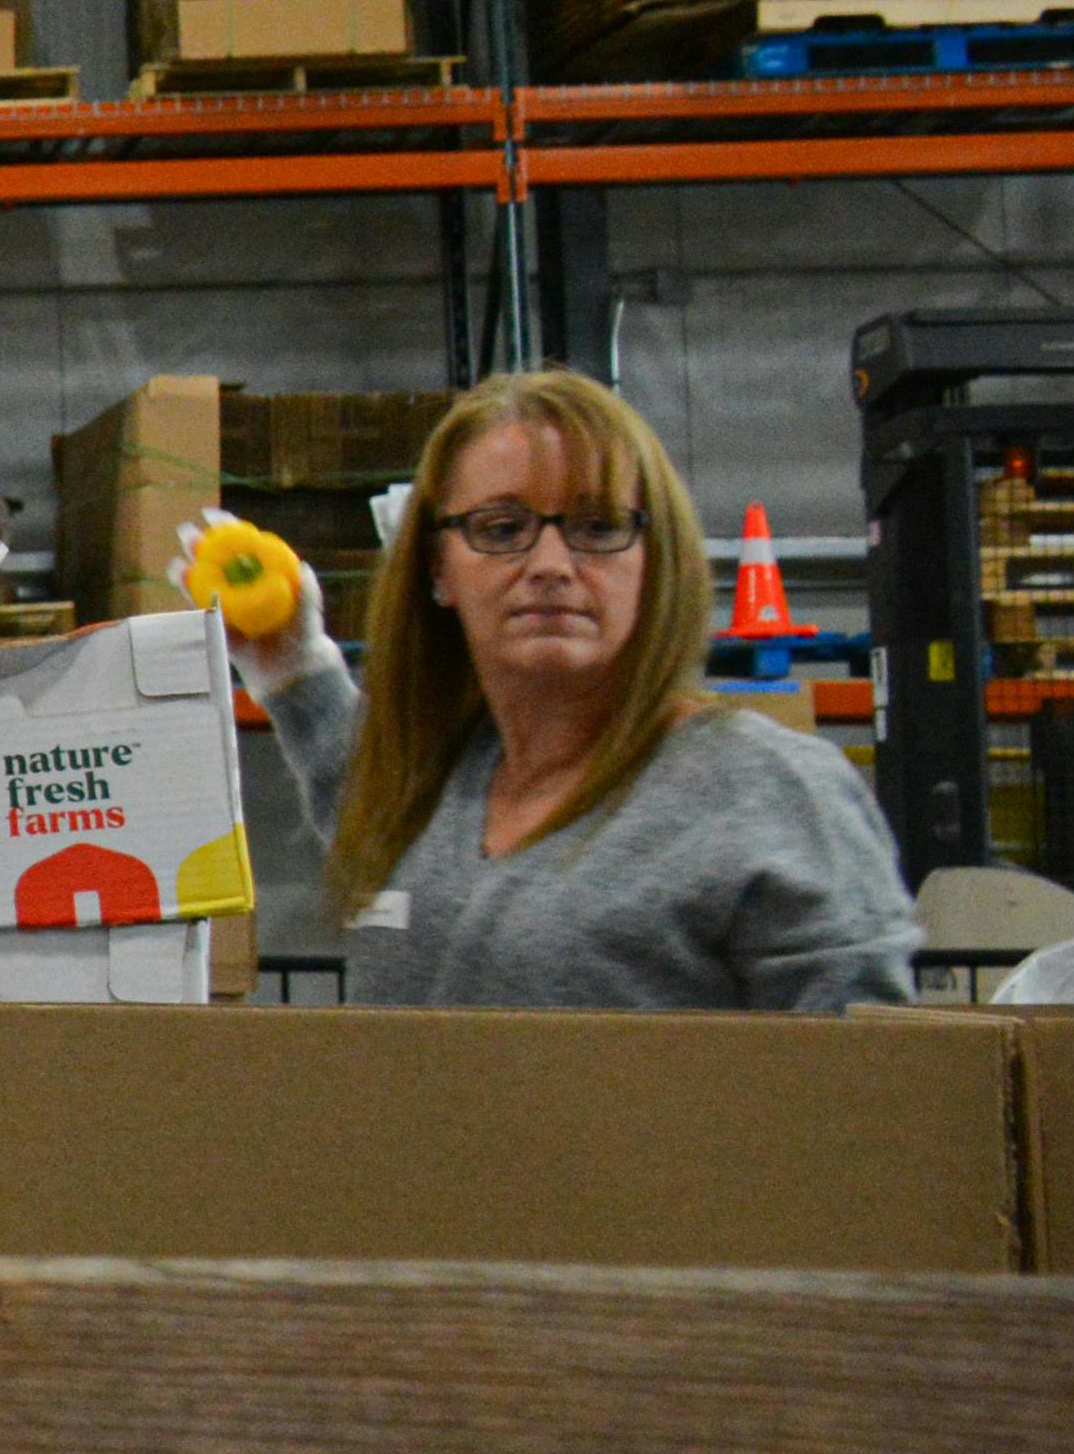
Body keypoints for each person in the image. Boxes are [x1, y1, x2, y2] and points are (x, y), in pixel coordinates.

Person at [202, 367, 912, 1010]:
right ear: (437, 569)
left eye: (597, 525)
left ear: (654, 558)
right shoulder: (431, 784)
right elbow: (352, 775)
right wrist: (290, 664)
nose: (550, 562)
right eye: (501, 527)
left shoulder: (771, 791)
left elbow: (867, 1100)